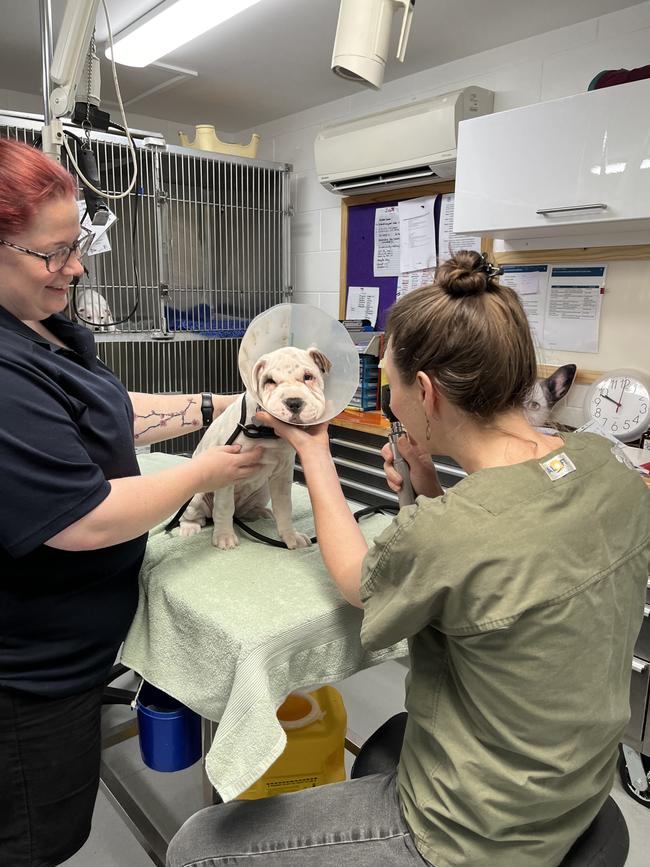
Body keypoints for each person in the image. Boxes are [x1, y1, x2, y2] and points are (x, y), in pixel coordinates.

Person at [167, 250, 650, 867]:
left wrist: (314, 452)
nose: (387, 400)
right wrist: (427, 490)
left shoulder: (455, 531)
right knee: (380, 745)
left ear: (423, 392)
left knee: (197, 847)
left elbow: (357, 583)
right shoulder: (610, 465)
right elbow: (512, 549)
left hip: (480, 830)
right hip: (579, 782)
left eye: (389, 385)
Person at [0, 137, 264, 867]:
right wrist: (207, 471)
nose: (76, 266)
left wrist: (225, 402)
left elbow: (114, 408)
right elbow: (83, 519)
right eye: (54, 253)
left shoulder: (43, 326)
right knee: (34, 836)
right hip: (29, 674)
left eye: (77, 242)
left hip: (81, 648)